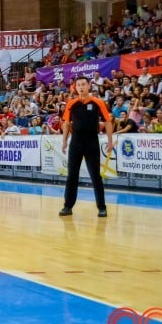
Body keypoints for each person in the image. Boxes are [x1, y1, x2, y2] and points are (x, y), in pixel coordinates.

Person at [59, 75, 114, 218]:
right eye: (78, 85)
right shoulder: (71, 103)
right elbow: (66, 123)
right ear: (75, 87)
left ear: (89, 86)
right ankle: (67, 206)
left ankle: (102, 208)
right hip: (76, 142)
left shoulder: (98, 102)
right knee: (72, 175)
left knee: (95, 176)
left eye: (84, 84)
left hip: (92, 142)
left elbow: (107, 122)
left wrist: (110, 141)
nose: (81, 87)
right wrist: (64, 141)